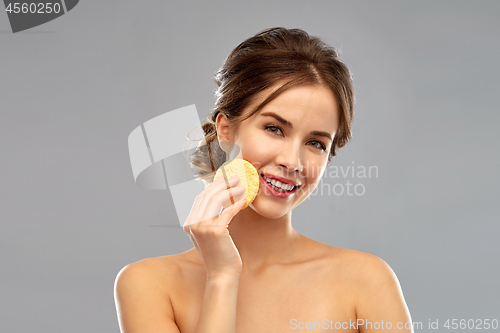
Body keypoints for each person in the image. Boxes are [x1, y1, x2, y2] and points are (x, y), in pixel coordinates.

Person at [114, 27, 413, 333]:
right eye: (274, 129)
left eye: (316, 143)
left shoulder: (366, 281)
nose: (292, 162)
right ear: (226, 129)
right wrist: (222, 277)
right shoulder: (148, 285)